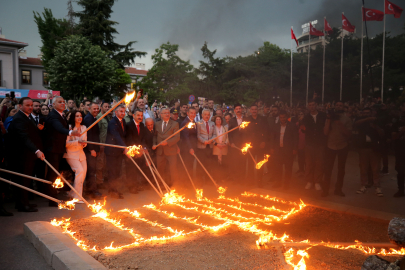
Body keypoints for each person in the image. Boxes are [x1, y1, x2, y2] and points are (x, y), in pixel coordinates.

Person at [7, 97, 44, 212]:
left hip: (28, 154)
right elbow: (24, 137)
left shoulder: (27, 117)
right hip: (22, 155)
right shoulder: (19, 118)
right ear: (20, 106)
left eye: (31, 105)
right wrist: (36, 151)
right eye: (27, 105)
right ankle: (23, 204)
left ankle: (23, 202)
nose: (30, 107)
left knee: (26, 180)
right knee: (23, 180)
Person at [44, 96, 80, 206]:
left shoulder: (61, 115)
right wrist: (70, 133)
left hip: (58, 149)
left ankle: (53, 196)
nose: (63, 104)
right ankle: (52, 199)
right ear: (53, 104)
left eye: (64, 102)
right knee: (52, 174)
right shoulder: (53, 116)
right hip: (53, 149)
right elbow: (58, 128)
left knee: (56, 173)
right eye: (60, 102)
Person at [321, 101, 352, 197]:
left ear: (343, 107)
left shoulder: (347, 119)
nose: (338, 107)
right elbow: (325, 133)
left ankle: (338, 189)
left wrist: (340, 124)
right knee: (328, 169)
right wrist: (329, 120)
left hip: (342, 146)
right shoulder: (329, 118)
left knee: (341, 169)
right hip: (330, 146)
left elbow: (349, 134)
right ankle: (325, 190)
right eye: (337, 105)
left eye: (341, 105)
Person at [354, 108, 384, 197]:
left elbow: (382, 134)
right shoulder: (360, 121)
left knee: (376, 169)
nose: (366, 114)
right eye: (365, 113)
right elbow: (355, 124)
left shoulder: (376, 121)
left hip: (374, 148)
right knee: (363, 168)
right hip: (363, 148)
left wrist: (376, 127)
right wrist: (366, 120)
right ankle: (363, 185)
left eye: (368, 113)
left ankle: (377, 187)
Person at [300, 99, 327, 191]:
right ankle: (309, 181)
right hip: (310, 143)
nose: (312, 106)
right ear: (308, 106)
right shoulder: (306, 117)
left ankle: (317, 181)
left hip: (320, 143)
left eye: (313, 105)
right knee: (309, 163)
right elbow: (303, 128)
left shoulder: (323, 116)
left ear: (316, 105)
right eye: (310, 105)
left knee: (319, 163)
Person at [270, 111, 298, 189]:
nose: (282, 119)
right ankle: (278, 183)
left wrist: (295, 148)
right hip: (278, 150)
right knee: (278, 168)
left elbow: (296, 138)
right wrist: (272, 148)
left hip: (288, 150)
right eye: (281, 117)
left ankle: (286, 184)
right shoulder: (275, 126)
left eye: (284, 117)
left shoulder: (292, 126)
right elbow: (272, 138)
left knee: (288, 168)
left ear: (287, 117)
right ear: (279, 117)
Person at [152, 108, 180, 186]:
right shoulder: (157, 124)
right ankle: (161, 184)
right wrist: (154, 144)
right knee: (160, 168)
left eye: (168, 113)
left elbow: (177, 137)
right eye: (165, 113)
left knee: (173, 169)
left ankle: (175, 185)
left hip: (171, 150)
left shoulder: (175, 124)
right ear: (161, 115)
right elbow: (155, 136)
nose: (167, 114)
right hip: (160, 150)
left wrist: (167, 142)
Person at [105, 104, 127, 199]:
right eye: (121, 111)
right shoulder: (112, 122)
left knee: (117, 171)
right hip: (112, 151)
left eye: (124, 111)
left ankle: (114, 189)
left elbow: (123, 136)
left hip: (119, 151)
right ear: (116, 112)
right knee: (113, 172)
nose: (123, 113)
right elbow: (116, 136)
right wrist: (124, 148)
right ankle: (113, 191)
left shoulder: (123, 121)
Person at [64, 110, 87, 203]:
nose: (79, 118)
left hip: (81, 153)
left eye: (80, 116)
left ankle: (73, 193)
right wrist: (76, 142)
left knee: (83, 174)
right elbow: (66, 144)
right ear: (73, 117)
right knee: (79, 171)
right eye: (77, 116)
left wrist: (84, 143)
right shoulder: (69, 128)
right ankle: (77, 197)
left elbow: (85, 140)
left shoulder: (84, 127)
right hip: (71, 154)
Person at [244, 104, 268, 186]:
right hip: (251, 144)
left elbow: (266, 131)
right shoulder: (247, 120)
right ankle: (250, 180)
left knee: (260, 163)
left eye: (255, 109)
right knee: (250, 163)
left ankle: (259, 180)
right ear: (250, 111)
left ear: (258, 110)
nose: (254, 111)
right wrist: (247, 143)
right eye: (252, 109)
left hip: (260, 144)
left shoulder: (263, 119)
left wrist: (264, 141)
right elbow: (245, 133)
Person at [82, 103, 102, 199]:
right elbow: (89, 135)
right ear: (89, 108)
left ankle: (92, 190)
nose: (96, 110)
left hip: (94, 148)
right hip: (90, 150)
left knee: (93, 170)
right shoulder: (88, 119)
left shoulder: (93, 118)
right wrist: (92, 149)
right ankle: (91, 191)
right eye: (94, 108)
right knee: (91, 170)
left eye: (97, 108)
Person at [125, 109, 147, 193]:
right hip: (132, 150)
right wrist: (137, 148)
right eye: (138, 115)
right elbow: (129, 139)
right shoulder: (129, 125)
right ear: (133, 115)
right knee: (131, 169)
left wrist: (143, 147)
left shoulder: (142, 125)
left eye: (141, 115)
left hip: (140, 151)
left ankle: (136, 185)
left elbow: (143, 138)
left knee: (138, 168)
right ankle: (131, 187)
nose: (140, 117)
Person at [228, 104, 246, 182]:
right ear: (234, 111)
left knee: (243, 162)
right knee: (235, 161)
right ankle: (236, 178)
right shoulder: (232, 120)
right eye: (236, 109)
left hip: (244, 144)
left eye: (239, 108)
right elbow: (230, 133)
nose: (238, 110)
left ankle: (243, 178)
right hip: (235, 144)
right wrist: (231, 142)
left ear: (242, 109)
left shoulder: (246, 119)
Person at [196, 109, 216, 176]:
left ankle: (208, 179)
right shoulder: (198, 123)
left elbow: (215, 134)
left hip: (210, 146)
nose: (207, 116)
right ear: (202, 115)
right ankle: (201, 179)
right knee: (202, 163)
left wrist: (211, 140)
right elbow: (198, 135)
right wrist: (204, 141)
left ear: (210, 115)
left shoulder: (212, 123)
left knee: (209, 163)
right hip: (202, 147)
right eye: (205, 114)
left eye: (208, 115)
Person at [96, 101, 112, 187]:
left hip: (107, 145)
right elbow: (97, 133)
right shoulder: (98, 118)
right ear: (101, 107)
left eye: (108, 107)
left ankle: (103, 181)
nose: (107, 108)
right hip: (101, 145)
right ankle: (99, 182)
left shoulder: (107, 118)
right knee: (100, 165)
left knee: (105, 164)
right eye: (105, 107)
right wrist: (99, 145)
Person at [392, 102, 405, 197]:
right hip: (400, 151)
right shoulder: (396, 124)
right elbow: (394, 137)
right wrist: (402, 131)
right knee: (400, 172)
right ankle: (401, 190)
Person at [212, 115, 229, 181]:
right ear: (215, 121)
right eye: (217, 119)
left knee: (223, 164)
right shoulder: (213, 128)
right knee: (216, 164)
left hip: (224, 147)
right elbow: (211, 138)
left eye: (219, 119)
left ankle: (223, 178)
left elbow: (228, 138)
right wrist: (217, 144)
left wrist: (225, 144)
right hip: (216, 147)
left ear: (221, 121)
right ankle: (216, 178)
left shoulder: (225, 128)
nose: (218, 121)